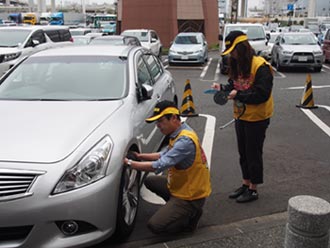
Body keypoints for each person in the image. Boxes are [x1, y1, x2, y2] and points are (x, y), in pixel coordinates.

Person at [123, 100, 211, 234]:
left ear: (174, 118)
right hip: (183, 187)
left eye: (160, 121)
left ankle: (190, 215)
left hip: (190, 196)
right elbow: (162, 154)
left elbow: (159, 165)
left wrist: (130, 163)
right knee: (150, 181)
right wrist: (140, 156)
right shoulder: (180, 132)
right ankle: (177, 209)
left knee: (155, 225)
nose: (158, 125)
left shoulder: (185, 141)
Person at [212, 30, 274, 203]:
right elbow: (235, 85)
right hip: (241, 115)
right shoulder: (238, 65)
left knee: (253, 153)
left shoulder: (261, 66)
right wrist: (223, 88)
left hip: (258, 118)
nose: (232, 55)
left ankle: (253, 189)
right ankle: (245, 184)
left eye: (233, 51)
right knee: (243, 153)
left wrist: (237, 95)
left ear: (242, 48)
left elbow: (262, 94)